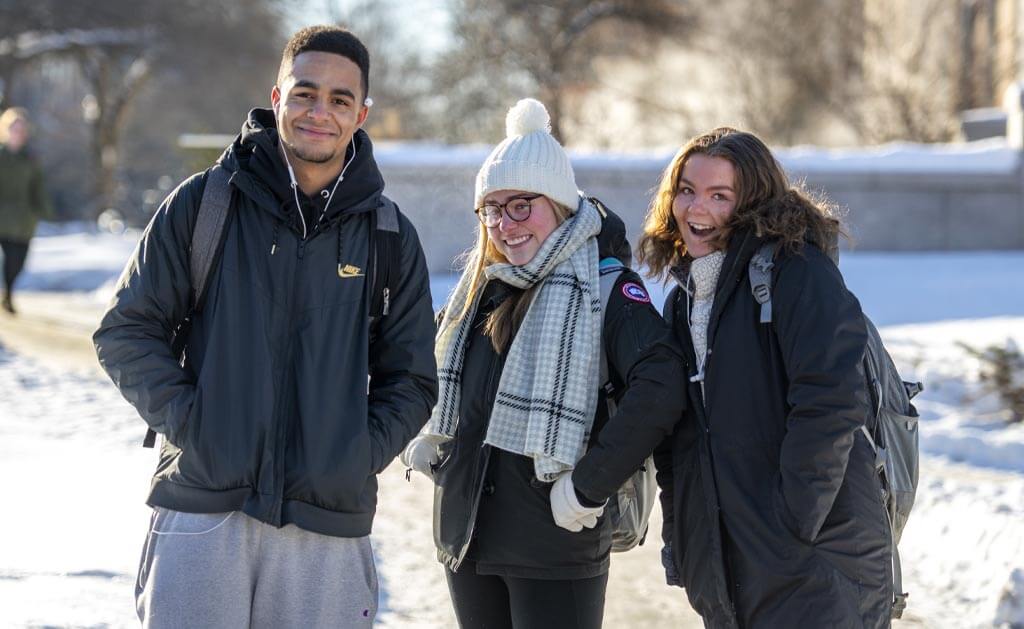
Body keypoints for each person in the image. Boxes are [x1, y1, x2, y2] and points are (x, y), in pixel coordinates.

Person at [93, 26, 438, 628]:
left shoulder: (389, 236)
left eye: (339, 99)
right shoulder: (204, 205)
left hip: (326, 526)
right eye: (305, 93)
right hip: (202, 509)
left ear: (362, 114)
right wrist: (197, 426)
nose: (319, 112)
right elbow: (126, 331)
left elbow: (411, 378)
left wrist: (352, 456)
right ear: (277, 98)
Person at [401, 98, 686, 629]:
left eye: (520, 205)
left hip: (555, 545)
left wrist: (587, 486)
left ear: (557, 204)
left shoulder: (606, 289)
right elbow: (424, 370)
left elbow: (662, 388)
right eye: (491, 208)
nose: (504, 224)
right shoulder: (480, 290)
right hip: (468, 538)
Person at [640, 127, 891, 628]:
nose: (697, 210)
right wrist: (686, 540)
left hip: (815, 567)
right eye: (686, 191)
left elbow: (832, 403)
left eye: (719, 196)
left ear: (752, 201)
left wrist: (792, 523)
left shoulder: (797, 274)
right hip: (733, 571)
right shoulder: (684, 302)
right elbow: (680, 440)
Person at [0, 107, 53, 315]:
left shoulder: (31, 159)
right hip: (2, 217)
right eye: (15, 128)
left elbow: (38, 187)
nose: (18, 133)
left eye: (22, 129)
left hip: (23, 220)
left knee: (17, 262)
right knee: (7, 259)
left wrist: (44, 210)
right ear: (6, 129)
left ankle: (8, 294)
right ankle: (8, 296)